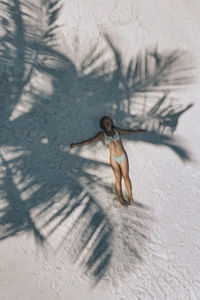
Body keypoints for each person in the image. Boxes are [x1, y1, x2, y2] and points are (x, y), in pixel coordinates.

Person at [70, 116, 146, 206]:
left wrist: (139, 131)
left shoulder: (116, 130)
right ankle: (120, 198)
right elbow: (89, 141)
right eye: (105, 121)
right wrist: (76, 144)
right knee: (118, 178)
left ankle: (130, 196)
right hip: (113, 158)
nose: (108, 122)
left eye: (109, 120)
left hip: (122, 156)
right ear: (102, 124)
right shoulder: (101, 135)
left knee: (125, 176)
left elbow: (128, 131)